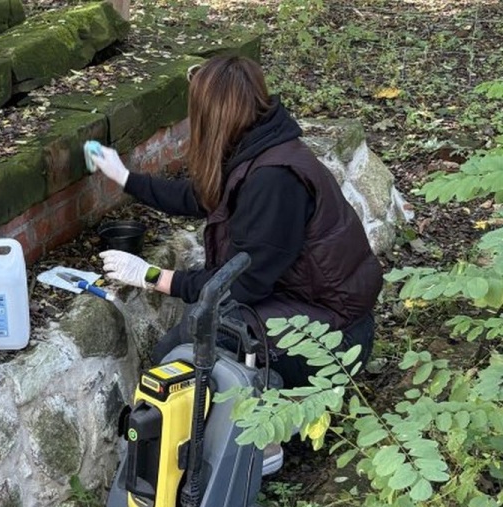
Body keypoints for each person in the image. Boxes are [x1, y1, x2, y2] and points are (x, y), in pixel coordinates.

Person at [89, 54, 382, 400]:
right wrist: (124, 177)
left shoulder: (274, 180)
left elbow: (240, 284)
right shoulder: (258, 144)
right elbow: (202, 196)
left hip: (336, 341)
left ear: (212, 116)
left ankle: (258, 439)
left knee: (181, 349)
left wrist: (152, 277)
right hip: (309, 306)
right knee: (195, 334)